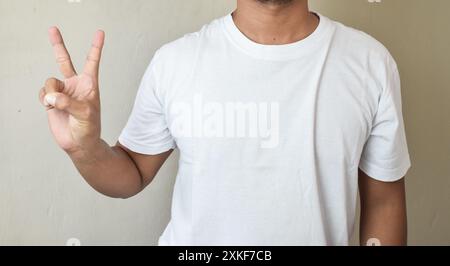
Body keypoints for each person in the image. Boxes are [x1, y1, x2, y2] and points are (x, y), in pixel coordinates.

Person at [39, 0, 410, 246]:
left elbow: (384, 202)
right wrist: (84, 148)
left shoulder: (370, 63)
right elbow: (132, 173)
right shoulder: (176, 62)